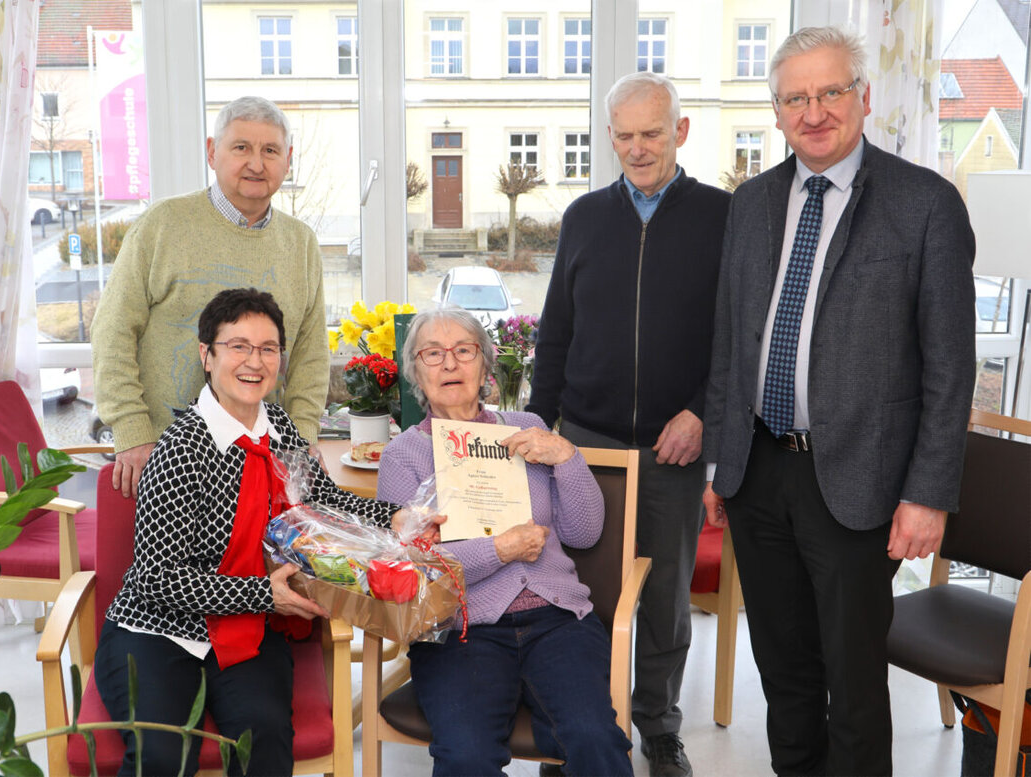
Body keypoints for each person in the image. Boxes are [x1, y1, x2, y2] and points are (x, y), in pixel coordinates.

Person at [701, 26, 976, 777]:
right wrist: (721, 459)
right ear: (778, 111)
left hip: (860, 484)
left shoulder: (925, 205)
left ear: (863, 97)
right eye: (796, 97)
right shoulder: (750, 202)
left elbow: (951, 370)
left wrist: (928, 493)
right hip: (758, 472)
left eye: (829, 92)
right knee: (783, 675)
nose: (813, 111)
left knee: (853, 688)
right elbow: (731, 339)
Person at [94, 288, 400, 777]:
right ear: (206, 355)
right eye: (238, 346)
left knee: (265, 740)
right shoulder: (181, 448)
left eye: (268, 348)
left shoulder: (278, 427)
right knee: (163, 756)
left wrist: (394, 516)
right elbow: (156, 579)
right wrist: (264, 593)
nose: (254, 361)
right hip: (158, 630)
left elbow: (320, 502)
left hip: (248, 625)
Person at [527, 70, 730, 777]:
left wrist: (704, 412)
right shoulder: (584, 216)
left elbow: (739, 337)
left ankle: (660, 727)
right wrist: (534, 424)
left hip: (672, 451)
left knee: (668, 601)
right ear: (608, 136)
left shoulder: (720, 216)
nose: (638, 148)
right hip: (581, 443)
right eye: (625, 135)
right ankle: (577, 721)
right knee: (578, 592)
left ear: (680, 131)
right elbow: (556, 332)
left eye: (653, 132)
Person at [377, 307, 634, 777]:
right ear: (416, 371)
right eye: (433, 353)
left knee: (594, 738)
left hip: (558, 621)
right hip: (459, 629)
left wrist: (567, 456)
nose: (450, 364)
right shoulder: (401, 456)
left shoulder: (527, 426)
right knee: (467, 755)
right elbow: (415, 569)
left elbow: (584, 532)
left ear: (485, 364)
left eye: (463, 350)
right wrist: (502, 549)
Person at [92, 96, 329, 499]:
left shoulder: (301, 243)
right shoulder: (162, 225)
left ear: (287, 160)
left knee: (262, 565)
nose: (256, 163)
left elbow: (310, 354)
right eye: (241, 148)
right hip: (160, 457)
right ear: (211, 152)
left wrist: (301, 440)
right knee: (167, 563)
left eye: (270, 151)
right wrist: (132, 431)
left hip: (257, 463)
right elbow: (112, 331)